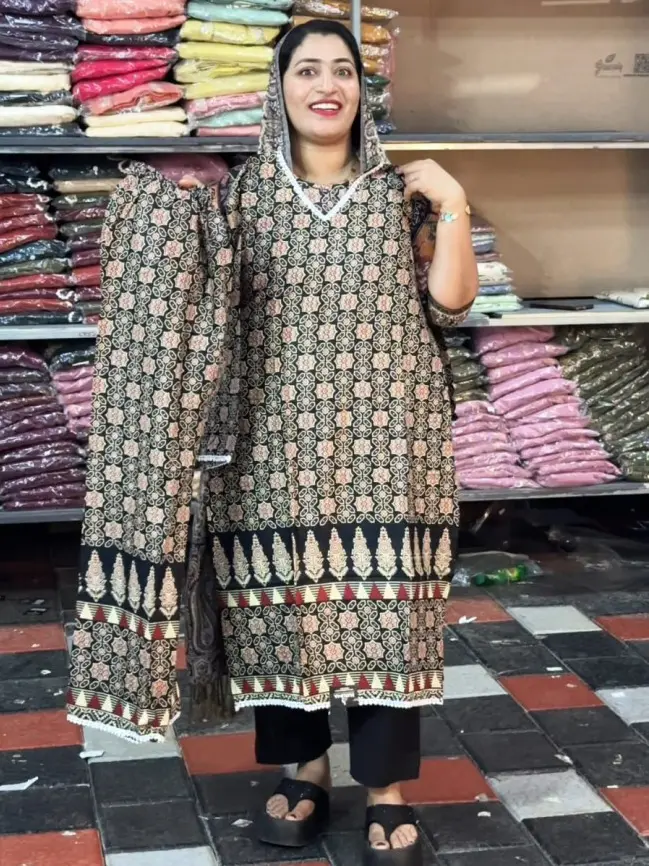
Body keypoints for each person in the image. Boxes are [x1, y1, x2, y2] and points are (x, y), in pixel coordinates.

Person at [67, 18, 478, 866]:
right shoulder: (238, 197)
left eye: (343, 71)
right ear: (278, 89)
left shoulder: (400, 193)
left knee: (387, 614)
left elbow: (451, 304)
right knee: (277, 611)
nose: (326, 86)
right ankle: (305, 770)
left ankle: (386, 791)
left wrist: (453, 204)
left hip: (389, 446)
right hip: (267, 444)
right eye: (306, 71)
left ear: (362, 89)